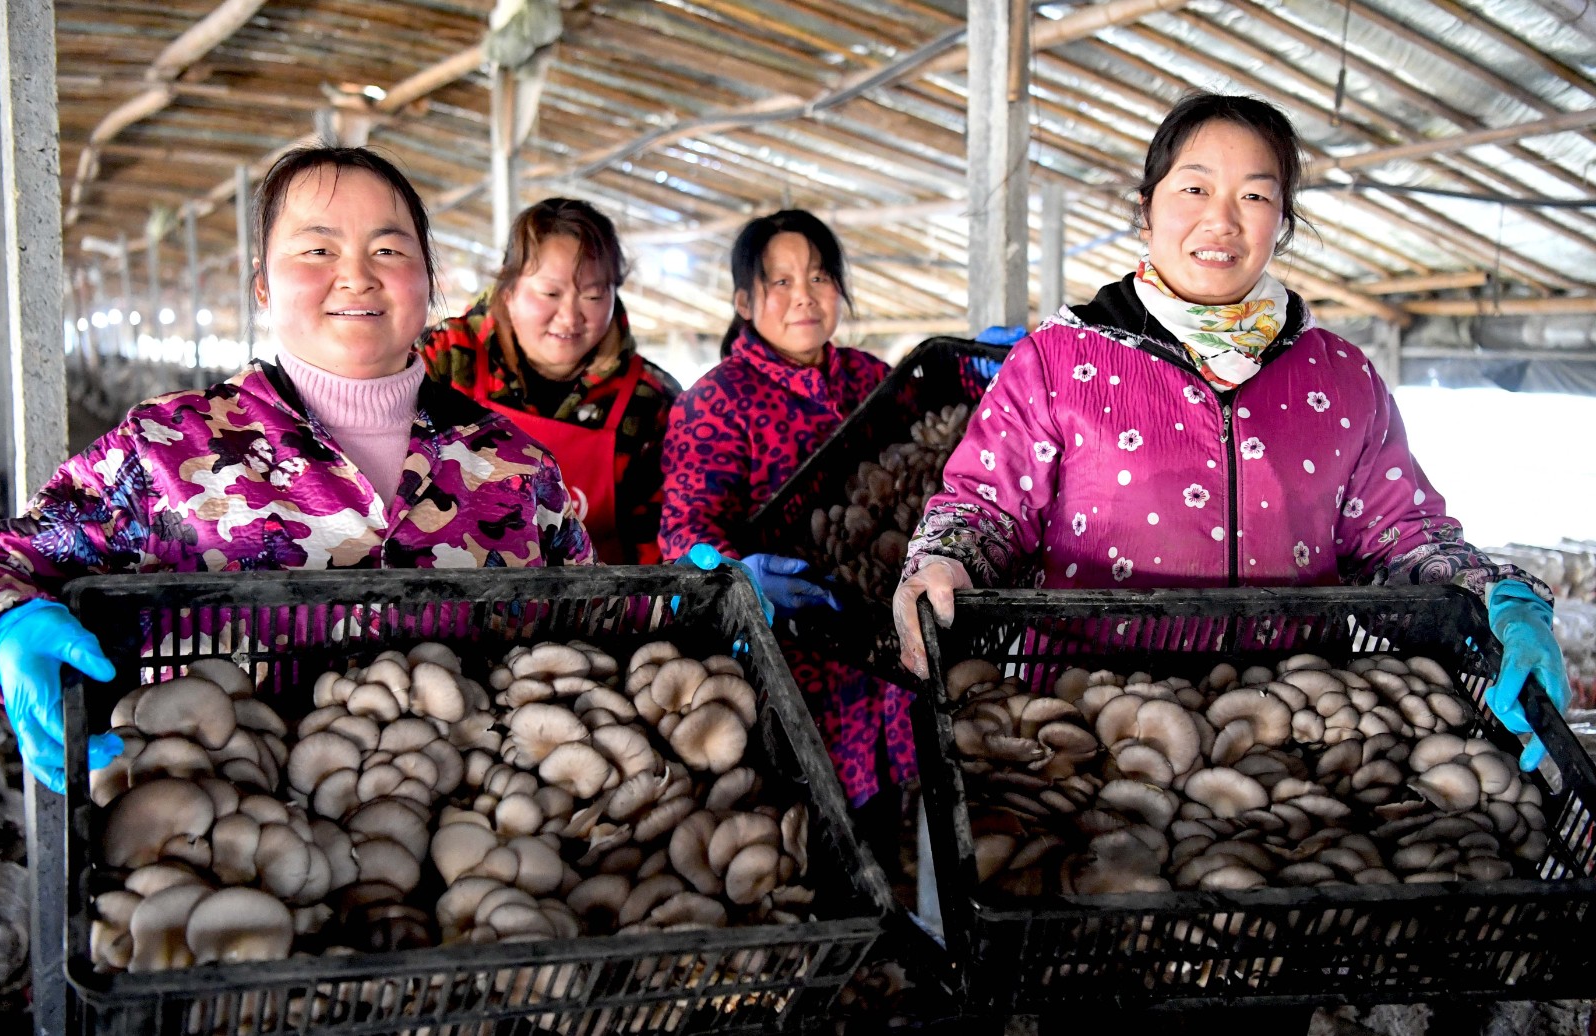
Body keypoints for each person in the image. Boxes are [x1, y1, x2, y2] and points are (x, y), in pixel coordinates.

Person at [893, 92, 1569, 772]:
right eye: (1194, 188)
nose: (1220, 219)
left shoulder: (1340, 375)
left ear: (1282, 220)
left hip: (1300, 737)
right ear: (1146, 206)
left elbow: (1400, 536)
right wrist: (942, 564)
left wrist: (1493, 594)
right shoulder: (1058, 360)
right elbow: (983, 511)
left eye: (1253, 197)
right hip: (1090, 733)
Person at [0, 145, 594, 793]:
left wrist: (699, 601)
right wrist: (10, 620)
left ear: (429, 277)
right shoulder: (166, 446)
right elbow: (13, 559)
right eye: (317, 250)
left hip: (476, 855)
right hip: (219, 850)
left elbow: (597, 631)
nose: (357, 276)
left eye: (389, 251)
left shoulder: (515, 464)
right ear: (262, 282)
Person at [659, 209, 915, 809]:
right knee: (812, 833)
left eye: (820, 277)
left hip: (888, 650)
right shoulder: (718, 400)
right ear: (745, 302)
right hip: (791, 667)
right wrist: (738, 576)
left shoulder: (872, 379)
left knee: (903, 822)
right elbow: (684, 531)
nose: (805, 297)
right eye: (781, 282)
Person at [420, 199, 680, 564]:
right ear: (508, 291)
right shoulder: (443, 358)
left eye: (592, 295)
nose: (570, 317)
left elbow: (660, 546)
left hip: (598, 609)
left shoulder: (650, 399)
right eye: (551, 293)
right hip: (456, 602)